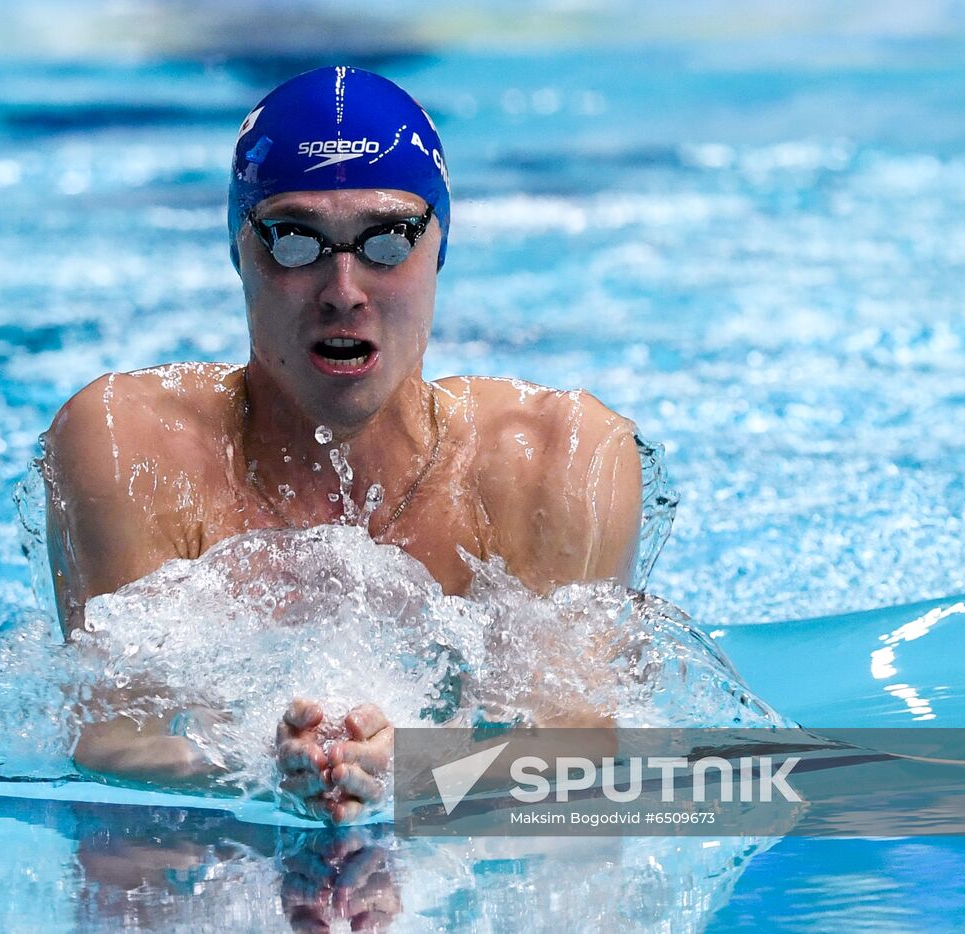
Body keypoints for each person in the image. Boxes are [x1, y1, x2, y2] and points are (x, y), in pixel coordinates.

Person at [42, 67, 642, 823]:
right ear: (239, 249)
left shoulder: (558, 461)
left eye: (388, 239)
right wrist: (263, 770)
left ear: (440, 245)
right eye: (295, 241)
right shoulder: (131, 450)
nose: (344, 289)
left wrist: (420, 774)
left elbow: (579, 757)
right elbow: (112, 745)